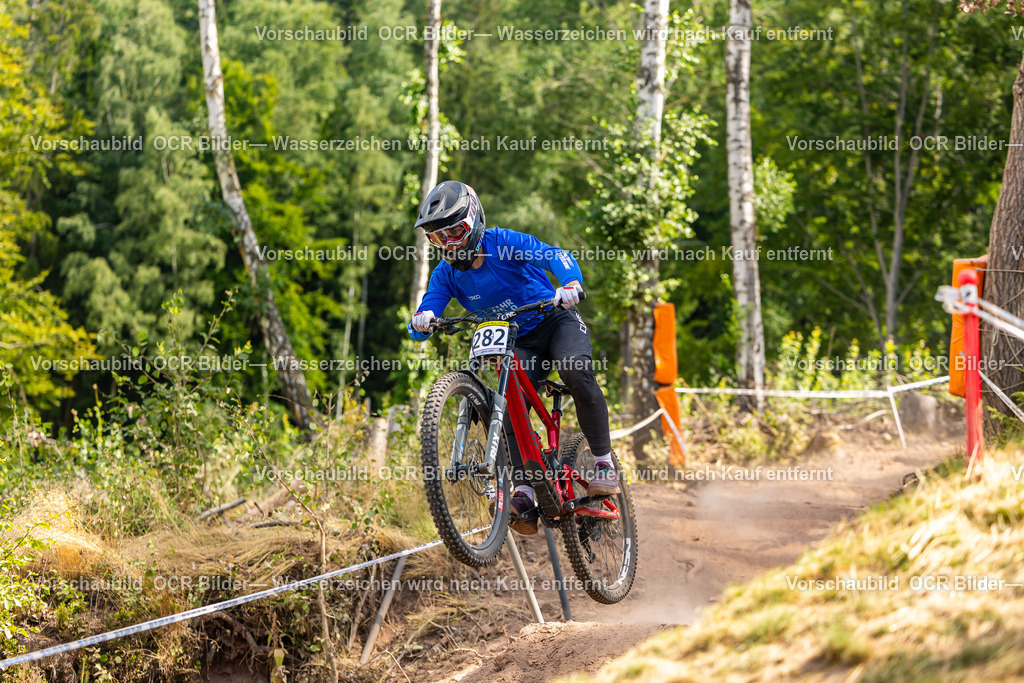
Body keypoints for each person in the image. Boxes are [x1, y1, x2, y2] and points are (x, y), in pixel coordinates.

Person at [407, 180, 618, 535]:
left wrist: (569, 284)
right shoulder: (445, 274)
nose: (449, 244)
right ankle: (522, 490)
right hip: (518, 341)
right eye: (439, 238)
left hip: (554, 320)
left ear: (475, 223)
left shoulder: (503, 242)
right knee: (505, 405)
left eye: (455, 232)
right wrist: (421, 321)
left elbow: (553, 255)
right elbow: (426, 312)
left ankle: (603, 462)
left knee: (574, 369)